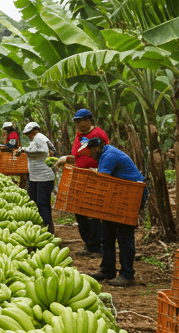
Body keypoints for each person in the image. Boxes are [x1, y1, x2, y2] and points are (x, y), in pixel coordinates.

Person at [82, 137, 144, 287]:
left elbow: (102, 180)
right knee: (107, 233)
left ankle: (127, 274)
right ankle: (107, 270)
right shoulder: (105, 154)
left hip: (131, 194)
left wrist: (93, 208)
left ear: (96, 148)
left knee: (124, 235)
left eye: (89, 152)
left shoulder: (109, 155)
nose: (89, 155)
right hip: (118, 194)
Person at [60, 109, 109, 256]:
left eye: (80, 121)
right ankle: (89, 244)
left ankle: (97, 246)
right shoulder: (79, 135)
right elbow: (77, 154)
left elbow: (104, 153)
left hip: (94, 177)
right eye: (75, 121)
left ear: (88, 121)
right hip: (79, 176)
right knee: (80, 212)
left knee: (92, 212)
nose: (77, 124)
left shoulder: (98, 134)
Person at [16, 122, 55, 232]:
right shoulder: (36, 139)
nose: (28, 136)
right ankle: (39, 224)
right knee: (34, 200)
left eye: (28, 133)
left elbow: (41, 150)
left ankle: (48, 228)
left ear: (33, 131)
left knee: (43, 203)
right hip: (36, 177)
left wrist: (24, 149)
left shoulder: (39, 137)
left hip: (44, 177)